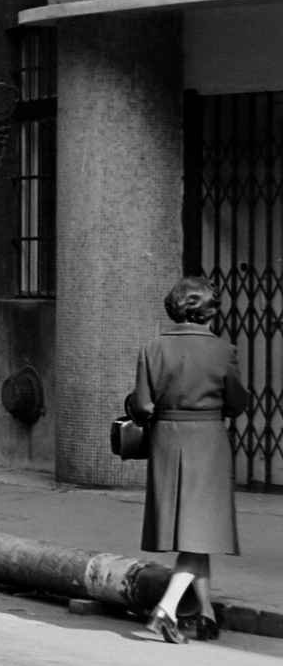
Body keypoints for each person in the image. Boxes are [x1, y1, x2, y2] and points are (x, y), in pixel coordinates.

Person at [130, 274, 248, 643]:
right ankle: (165, 610)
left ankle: (206, 614)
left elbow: (143, 405)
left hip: (167, 440)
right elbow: (237, 403)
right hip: (207, 442)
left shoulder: (153, 348)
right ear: (209, 310)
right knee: (198, 533)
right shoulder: (223, 351)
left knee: (195, 532)